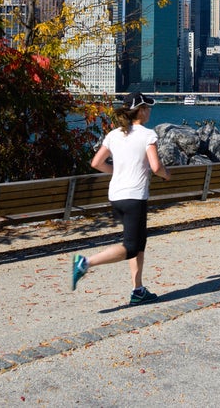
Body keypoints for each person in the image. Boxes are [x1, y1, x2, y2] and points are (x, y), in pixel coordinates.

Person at [72, 91, 171, 305]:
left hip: (116, 196)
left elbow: (96, 163)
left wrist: (117, 172)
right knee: (131, 246)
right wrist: (166, 174)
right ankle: (85, 263)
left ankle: (138, 290)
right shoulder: (147, 135)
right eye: (148, 107)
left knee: (139, 242)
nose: (150, 111)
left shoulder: (115, 134)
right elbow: (156, 167)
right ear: (141, 110)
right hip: (134, 197)